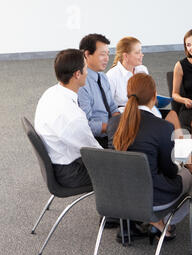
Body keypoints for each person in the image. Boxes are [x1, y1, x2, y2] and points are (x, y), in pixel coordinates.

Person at [107, 73, 192, 243]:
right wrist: (181, 166)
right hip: (152, 197)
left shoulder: (113, 123)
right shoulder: (162, 127)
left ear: (128, 94)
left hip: (118, 195)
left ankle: (154, 222)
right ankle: (163, 221)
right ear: (154, 97)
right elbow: (168, 171)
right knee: (188, 176)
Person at [34, 49, 102, 188]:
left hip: (56, 159)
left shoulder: (51, 92)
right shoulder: (73, 117)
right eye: (85, 68)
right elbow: (95, 154)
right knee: (123, 168)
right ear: (77, 74)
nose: (88, 72)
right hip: (70, 172)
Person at [107, 36, 182, 134]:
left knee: (172, 115)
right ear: (125, 56)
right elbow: (109, 107)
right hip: (128, 117)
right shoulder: (112, 76)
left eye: (141, 51)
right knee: (160, 127)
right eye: (137, 53)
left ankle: (183, 149)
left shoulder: (142, 69)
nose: (142, 55)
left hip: (147, 111)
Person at [78, 34, 120, 148]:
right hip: (98, 141)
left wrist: (118, 121)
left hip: (113, 132)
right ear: (87, 54)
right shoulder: (81, 84)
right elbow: (86, 126)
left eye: (108, 54)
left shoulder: (103, 77)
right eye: (102, 54)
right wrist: (112, 127)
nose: (107, 58)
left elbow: (112, 106)